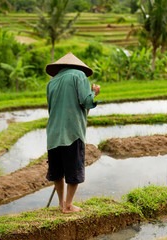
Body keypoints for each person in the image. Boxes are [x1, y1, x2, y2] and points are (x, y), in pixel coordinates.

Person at [45, 52, 100, 213]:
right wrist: (94, 93)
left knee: (57, 172)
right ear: (78, 66)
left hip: (53, 132)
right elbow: (86, 101)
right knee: (73, 169)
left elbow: (51, 108)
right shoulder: (79, 75)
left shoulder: (52, 82)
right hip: (72, 132)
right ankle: (68, 205)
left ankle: (61, 203)